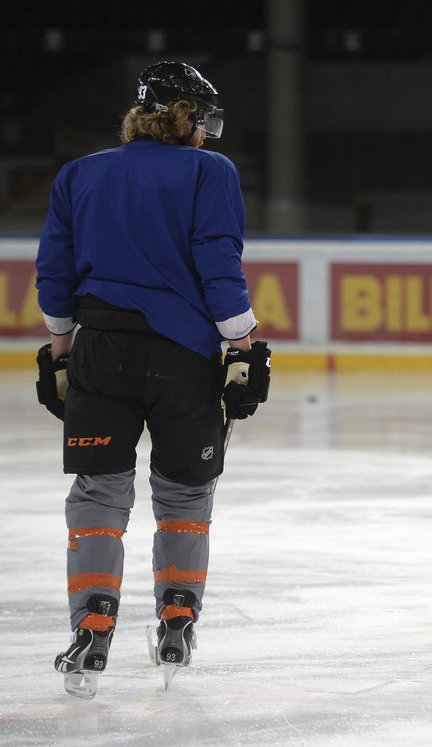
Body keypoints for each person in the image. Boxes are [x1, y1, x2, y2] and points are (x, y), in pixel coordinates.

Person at [35, 61, 271, 698]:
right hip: (182, 358)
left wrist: (60, 349)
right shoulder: (210, 172)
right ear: (184, 115)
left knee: (98, 495)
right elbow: (218, 265)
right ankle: (176, 622)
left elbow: (54, 273)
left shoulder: (79, 174)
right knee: (186, 495)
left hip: (99, 351)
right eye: (203, 118)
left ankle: (91, 628)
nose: (208, 133)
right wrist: (243, 344)